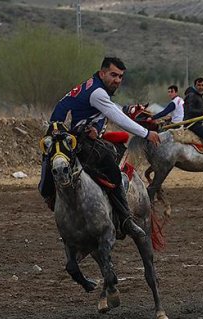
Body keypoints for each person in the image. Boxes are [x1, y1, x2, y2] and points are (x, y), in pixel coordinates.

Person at [39, 57, 161, 239]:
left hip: (66, 136)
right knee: (112, 171)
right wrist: (146, 133)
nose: (117, 80)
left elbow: (108, 110)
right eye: (113, 75)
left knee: (48, 184)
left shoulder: (94, 87)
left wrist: (100, 126)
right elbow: (116, 116)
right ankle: (125, 219)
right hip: (65, 137)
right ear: (102, 73)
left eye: (120, 77)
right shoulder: (98, 93)